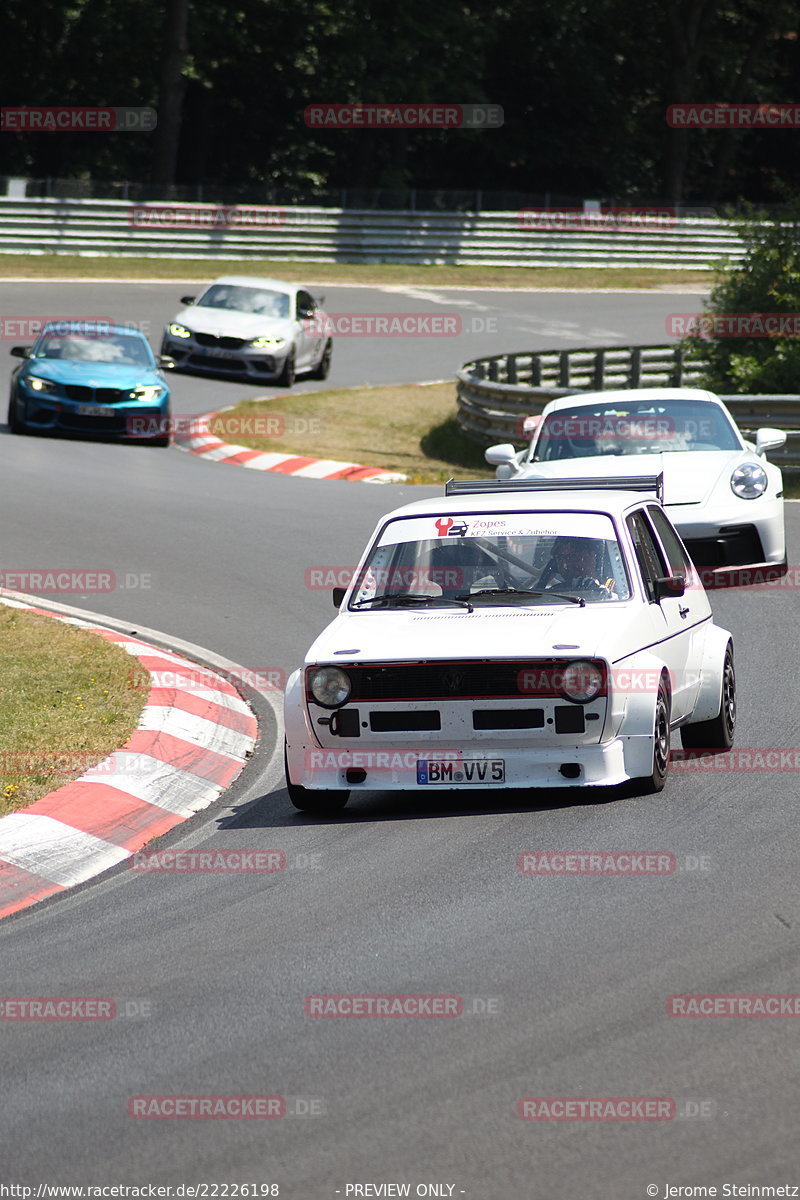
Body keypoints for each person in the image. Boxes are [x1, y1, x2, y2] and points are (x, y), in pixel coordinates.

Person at [538, 536, 613, 596]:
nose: (565, 565)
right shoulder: (554, 594)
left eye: (573, 556)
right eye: (560, 558)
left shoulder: (619, 592)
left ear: (593, 556)